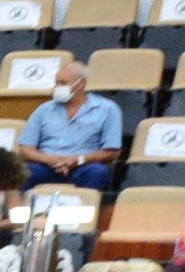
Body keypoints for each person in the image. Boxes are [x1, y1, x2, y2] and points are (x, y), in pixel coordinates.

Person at [16, 60, 123, 189]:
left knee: (97, 172)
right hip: (46, 166)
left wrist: (78, 160)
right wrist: (49, 160)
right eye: (56, 82)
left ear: (81, 83)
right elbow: (25, 148)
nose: (57, 87)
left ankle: (84, 203)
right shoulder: (44, 110)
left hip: (83, 166)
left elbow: (113, 152)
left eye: (63, 83)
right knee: (21, 172)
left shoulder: (107, 109)